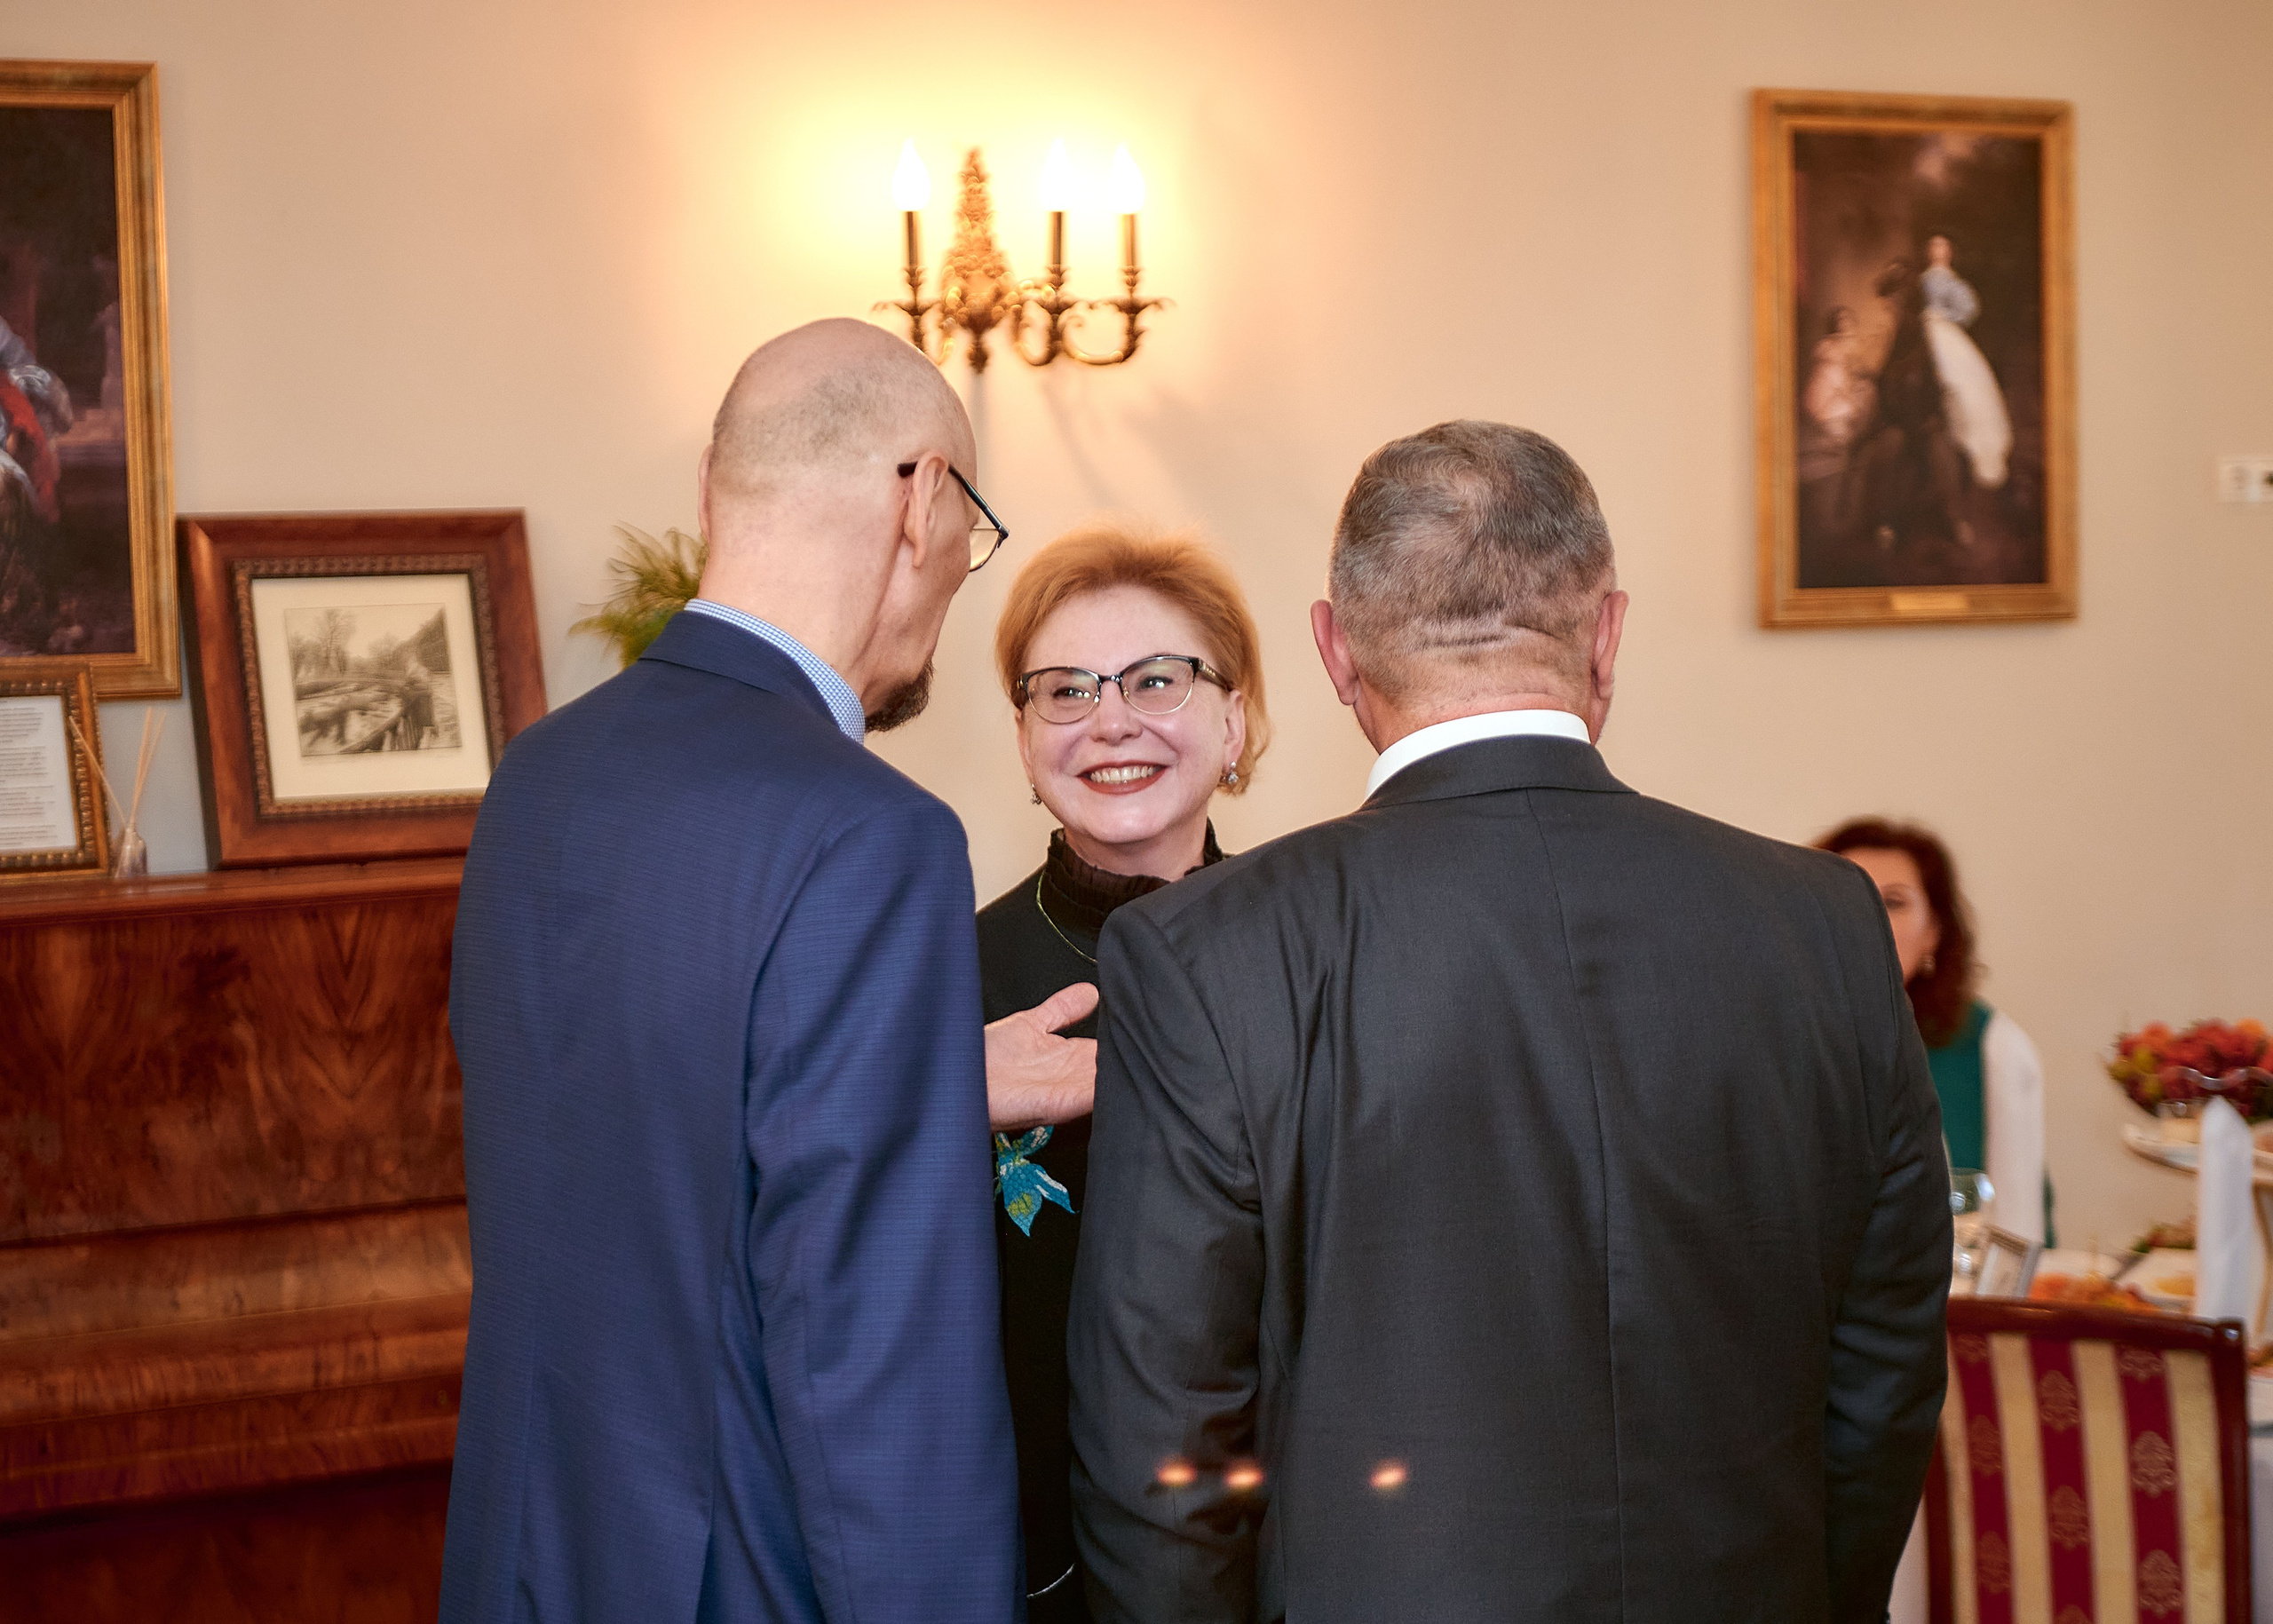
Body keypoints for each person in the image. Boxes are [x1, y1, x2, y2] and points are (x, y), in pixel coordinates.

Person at [1066, 420, 1952, 1622]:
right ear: (1607, 632)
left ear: (1334, 651)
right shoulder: (1823, 923)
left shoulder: (1205, 951)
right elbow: (1883, 1370)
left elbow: (1159, 1445)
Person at [442, 318, 1081, 1623]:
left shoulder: (542, 774)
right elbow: (877, 1366)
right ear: (923, 500)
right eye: (974, 531)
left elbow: (650, 1141)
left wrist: (923, 1091)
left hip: (534, 1557)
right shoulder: (871, 834)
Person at [976, 521, 1268, 1623]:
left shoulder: (1326, 951)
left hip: (1293, 1552)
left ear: (1234, 714)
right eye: (1064, 690)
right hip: (1034, 1562)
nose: (1111, 721)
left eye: (1156, 678)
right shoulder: (944, 981)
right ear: (1022, 736)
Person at [1817, 817, 2047, 1245]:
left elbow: (2017, 1243)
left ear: (1933, 933)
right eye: (1845, 898)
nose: (1866, 919)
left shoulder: (1994, 1047)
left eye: (1893, 902)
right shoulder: (1763, 1037)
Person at [1917, 233, 2012, 494]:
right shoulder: (1923, 278)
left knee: (1959, 382)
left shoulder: (1951, 280)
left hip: (1942, 331)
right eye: (1933, 246)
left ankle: (1972, 445)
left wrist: (1944, 316)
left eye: (1942, 246)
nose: (1937, 250)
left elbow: (1969, 309)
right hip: (1924, 328)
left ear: (1949, 252)